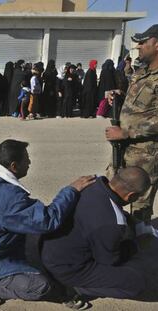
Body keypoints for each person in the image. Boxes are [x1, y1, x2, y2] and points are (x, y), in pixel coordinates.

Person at [0, 139, 95, 302]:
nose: (29, 162)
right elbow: (48, 221)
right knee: (41, 286)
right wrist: (71, 190)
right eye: (26, 159)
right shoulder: (9, 198)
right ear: (14, 166)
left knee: (32, 238)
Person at [42, 167, 150, 304]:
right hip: (64, 267)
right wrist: (133, 245)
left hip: (48, 248)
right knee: (136, 282)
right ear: (131, 196)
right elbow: (108, 261)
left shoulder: (91, 183)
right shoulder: (112, 224)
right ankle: (73, 289)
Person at [105, 24, 158, 243]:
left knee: (139, 207)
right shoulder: (142, 71)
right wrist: (120, 94)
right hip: (123, 149)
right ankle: (113, 238)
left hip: (145, 156)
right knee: (110, 191)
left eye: (143, 42)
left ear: (157, 44)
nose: (138, 46)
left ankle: (139, 248)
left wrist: (127, 132)